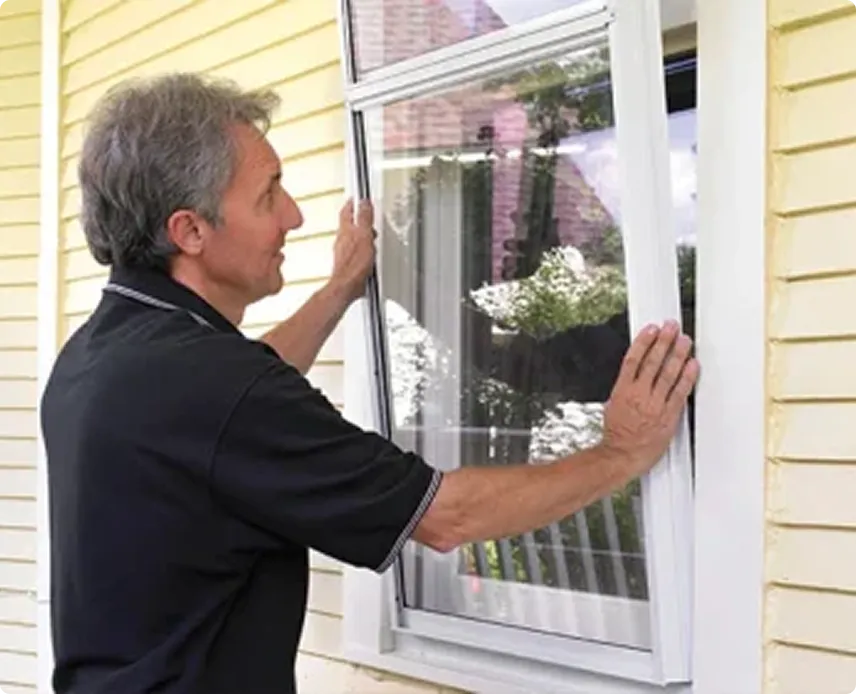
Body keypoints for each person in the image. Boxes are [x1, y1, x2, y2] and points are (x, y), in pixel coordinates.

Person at [40, 73, 699, 694]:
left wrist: (337, 292)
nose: (292, 217)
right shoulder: (217, 388)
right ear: (191, 231)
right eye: (269, 194)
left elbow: (231, 392)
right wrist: (620, 453)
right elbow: (447, 516)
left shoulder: (101, 355)